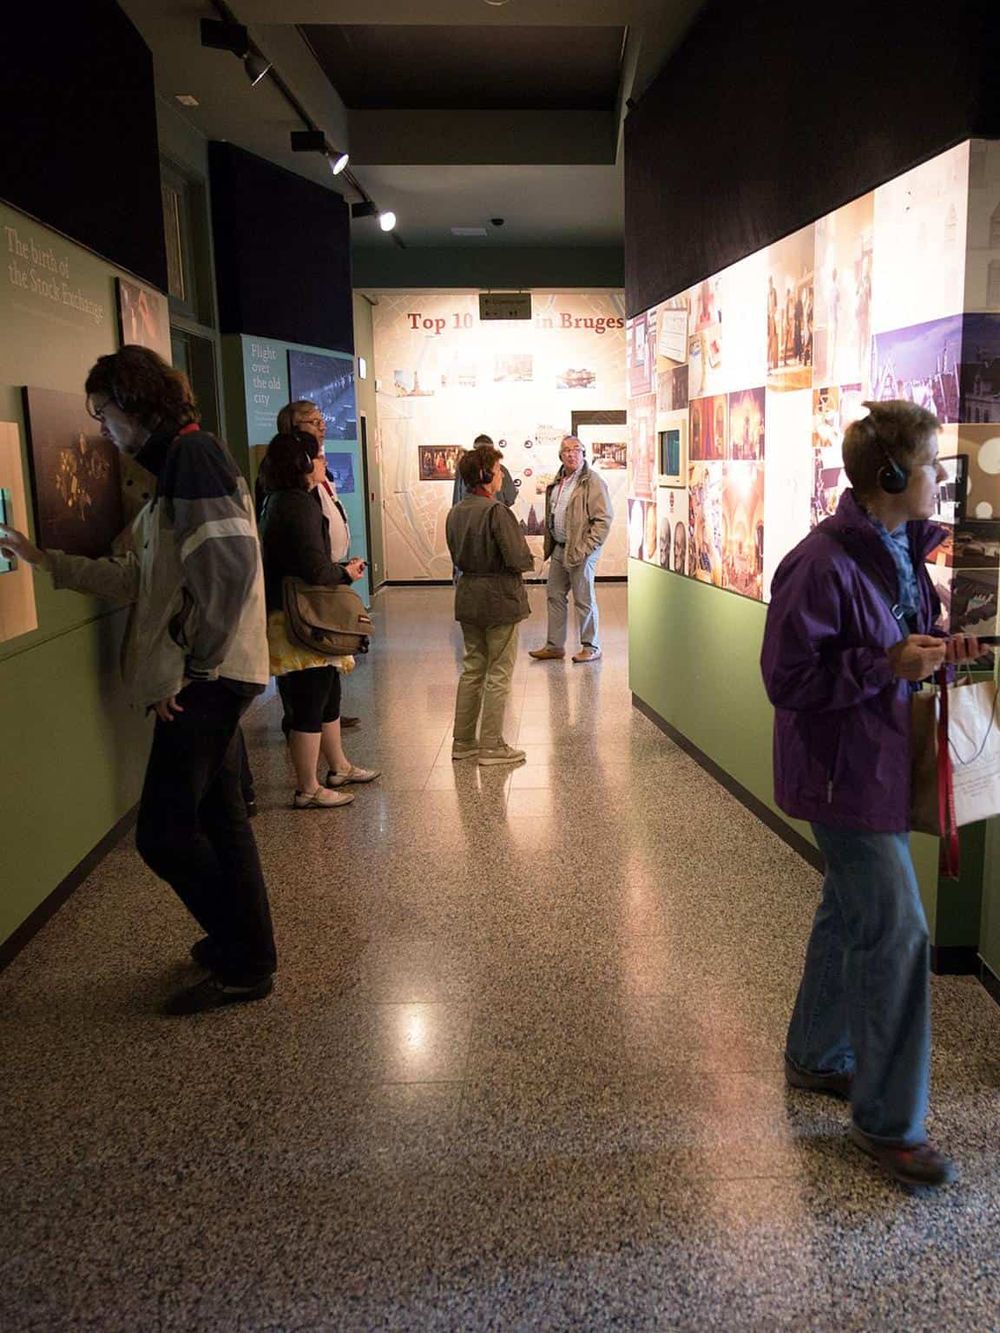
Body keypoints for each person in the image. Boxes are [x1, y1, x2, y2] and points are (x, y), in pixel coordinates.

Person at [0, 346, 277, 1014]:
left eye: (105, 415)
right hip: (217, 672)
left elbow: (231, 567)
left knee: (162, 832)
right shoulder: (174, 469)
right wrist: (46, 560)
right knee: (221, 817)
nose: (102, 431)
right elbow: (141, 579)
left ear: (134, 405)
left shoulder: (192, 457)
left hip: (211, 678)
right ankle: (249, 954)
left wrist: (198, 666)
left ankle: (243, 951)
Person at [761, 399, 983, 1188]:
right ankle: (889, 1123)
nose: (939, 479)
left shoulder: (901, 550)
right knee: (897, 934)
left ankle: (818, 1053)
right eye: (930, 466)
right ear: (892, 475)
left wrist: (937, 652)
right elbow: (786, 679)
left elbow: (901, 648)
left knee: (846, 911)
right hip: (839, 776)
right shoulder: (820, 563)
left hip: (879, 764)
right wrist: (887, 667)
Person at [257, 431, 378, 808]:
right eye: (319, 456)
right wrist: (345, 573)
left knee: (327, 695)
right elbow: (312, 566)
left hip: (298, 612)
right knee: (309, 701)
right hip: (303, 619)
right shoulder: (295, 504)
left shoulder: (286, 500)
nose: (325, 463)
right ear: (304, 463)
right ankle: (308, 787)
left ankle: (338, 766)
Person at [446, 442, 533, 766]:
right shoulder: (497, 511)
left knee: (472, 669)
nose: (500, 477)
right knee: (499, 671)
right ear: (486, 476)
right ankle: (492, 745)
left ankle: (463, 741)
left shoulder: (456, 512)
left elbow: (456, 555)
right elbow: (517, 558)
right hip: (498, 598)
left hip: (468, 595)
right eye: (497, 472)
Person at [275, 399, 360, 728]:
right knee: (310, 667)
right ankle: (305, 719)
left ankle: (328, 715)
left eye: (321, 420)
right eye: (312, 421)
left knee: (329, 659)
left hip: (327, 574)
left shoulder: (319, 470)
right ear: (293, 430)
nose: (322, 426)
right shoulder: (289, 484)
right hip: (309, 583)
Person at [529, 435, 612, 664]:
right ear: (560, 455)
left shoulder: (592, 481)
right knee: (554, 595)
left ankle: (591, 646)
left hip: (581, 551)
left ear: (584, 453)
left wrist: (587, 547)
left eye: (576, 449)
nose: (571, 454)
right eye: (566, 450)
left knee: (583, 599)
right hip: (560, 548)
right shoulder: (558, 482)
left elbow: (603, 519)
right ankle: (555, 646)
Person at [451, 433, 517, 507]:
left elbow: (457, 497)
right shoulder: (500, 468)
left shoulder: (464, 467)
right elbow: (510, 497)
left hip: (467, 512)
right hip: (493, 511)